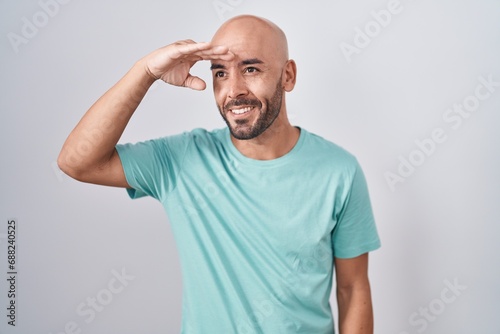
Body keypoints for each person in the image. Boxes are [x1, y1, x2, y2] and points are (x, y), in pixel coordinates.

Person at [58, 14, 381, 334]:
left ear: (288, 76)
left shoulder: (339, 170)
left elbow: (352, 290)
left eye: (251, 69)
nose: (234, 90)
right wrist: (145, 72)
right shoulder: (181, 160)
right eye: (221, 73)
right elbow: (77, 162)